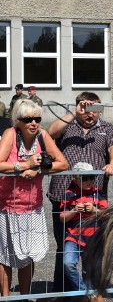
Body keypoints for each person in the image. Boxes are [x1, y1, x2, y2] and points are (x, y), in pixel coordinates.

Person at [47, 92, 113, 293]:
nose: (90, 113)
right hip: (63, 193)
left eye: (95, 109)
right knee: (64, 246)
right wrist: (74, 111)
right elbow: (50, 133)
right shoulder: (68, 124)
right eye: (87, 108)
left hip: (93, 196)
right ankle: (62, 292)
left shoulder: (106, 128)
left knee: (91, 246)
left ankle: (90, 291)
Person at [0, 99, 67, 296]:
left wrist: (38, 170)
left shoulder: (42, 135)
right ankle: (5, 298)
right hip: (7, 206)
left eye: (37, 118)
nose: (33, 123)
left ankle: (25, 296)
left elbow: (63, 163)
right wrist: (24, 165)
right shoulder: (10, 134)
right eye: (28, 119)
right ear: (18, 121)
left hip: (32, 207)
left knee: (28, 256)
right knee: (6, 256)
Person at [59, 162, 108, 299]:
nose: (89, 181)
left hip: (94, 236)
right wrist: (74, 211)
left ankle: (90, 294)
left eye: (91, 177)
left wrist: (95, 210)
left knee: (91, 269)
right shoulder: (69, 194)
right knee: (68, 263)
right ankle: (82, 292)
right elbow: (62, 217)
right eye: (84, 178)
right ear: (75, 179)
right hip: (74, 236)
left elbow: (108, 215)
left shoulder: (97, 193)